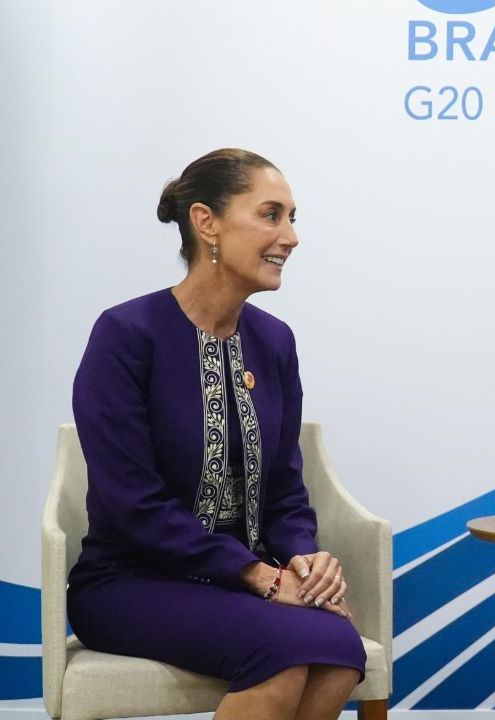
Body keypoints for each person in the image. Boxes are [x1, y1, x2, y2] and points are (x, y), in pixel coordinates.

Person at [69, 149, 365, 720]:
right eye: (271, 214)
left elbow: (283, 487)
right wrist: (256, 574)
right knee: (282, 652)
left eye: (293, 217)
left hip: (244, 580)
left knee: (339, 648)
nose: (291, 237)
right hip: (128, 581)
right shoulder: (126, 335)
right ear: (206, 222)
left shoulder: (274, 341)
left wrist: (304, 558)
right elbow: (134, 503)